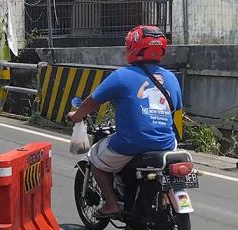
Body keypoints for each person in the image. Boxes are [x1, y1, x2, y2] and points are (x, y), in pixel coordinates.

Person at [66, 25, 182, 218]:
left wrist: (76, 116)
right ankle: (162, 200)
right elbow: (175, 107)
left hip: (131, 142)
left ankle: (111, 204)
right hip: (166, 143)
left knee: (96, 158)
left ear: (132, 47)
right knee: (166, 171)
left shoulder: (122, 76)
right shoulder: (171, 78)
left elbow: (91, 101)